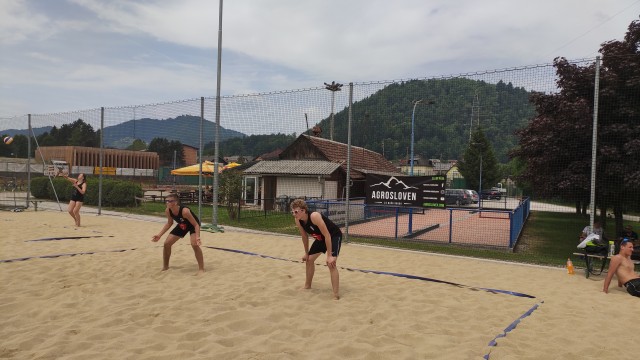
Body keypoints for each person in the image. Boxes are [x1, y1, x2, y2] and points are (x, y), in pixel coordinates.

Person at [291, 198, 342, 300]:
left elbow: (327, 235)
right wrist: (306, 253)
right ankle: (307, 285)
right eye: (292, 212)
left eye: (295, 211)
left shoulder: (314, 216)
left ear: (303, 210)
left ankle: (335, 295)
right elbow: (304, 237)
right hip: (321, 238)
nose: (294, 214)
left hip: (333, 236)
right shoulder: (298, 220)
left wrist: (329, 256)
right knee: (309, 260)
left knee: (331, 263)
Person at [152, 193, 204, 275]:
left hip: (193, 225)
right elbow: (169, 223)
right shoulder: (168, 210)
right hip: (182, 225)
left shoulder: (185, 211)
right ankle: (165, 267)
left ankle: (201, 269)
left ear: (175, 202)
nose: (167, 203)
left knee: (194, 245)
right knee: (167, 244)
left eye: (170, 201)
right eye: (166, 201)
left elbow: (196, 224)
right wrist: (159, 235)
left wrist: (197, 237)